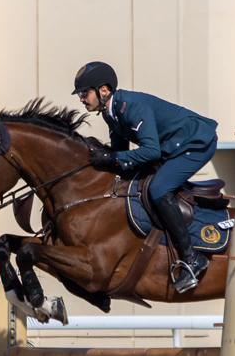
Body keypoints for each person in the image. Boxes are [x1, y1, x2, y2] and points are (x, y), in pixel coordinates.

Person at [72, 61, 218, 294]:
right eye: (80, 94)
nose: (81, 99)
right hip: (175, 145)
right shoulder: (111, 113)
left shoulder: (131, 107)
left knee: (158, 189)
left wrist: (112, 158)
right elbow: (120, 156)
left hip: (196, 143)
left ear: (104, 90)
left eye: (84, 93)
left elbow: (151, 151)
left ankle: (192, 258)